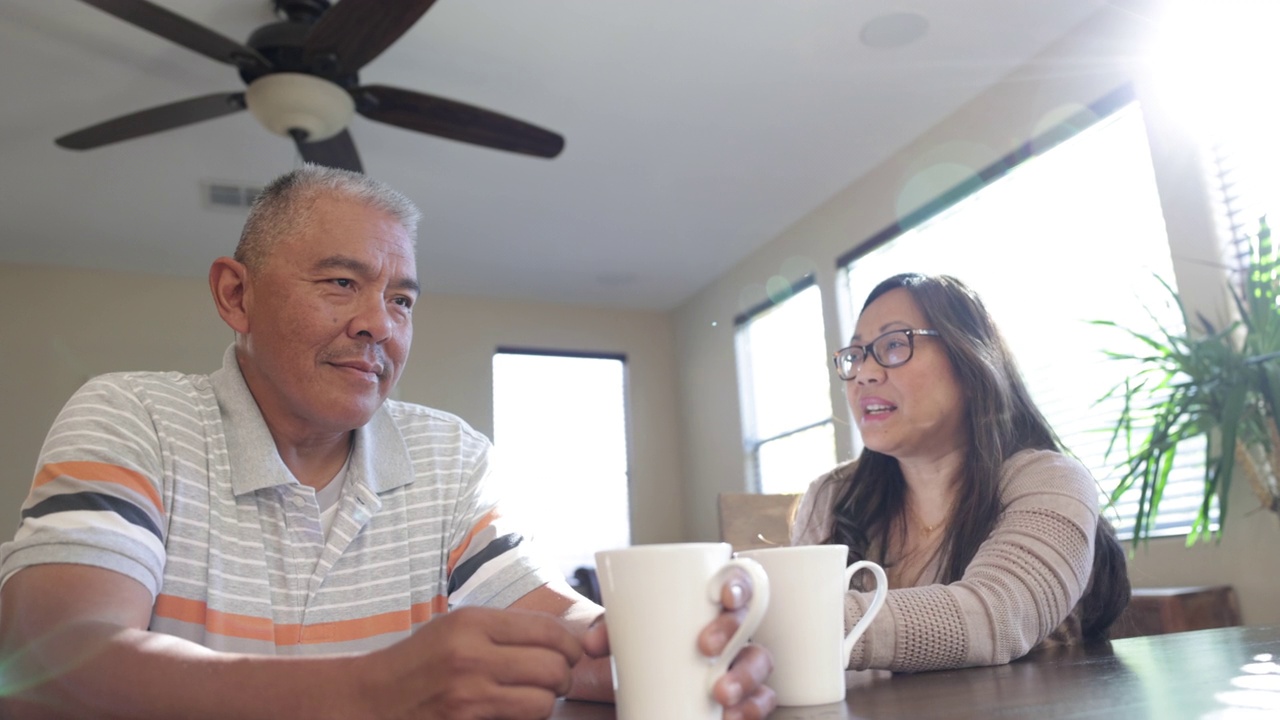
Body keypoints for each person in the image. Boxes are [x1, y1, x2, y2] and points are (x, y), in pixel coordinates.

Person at [0, 165, 775, 720]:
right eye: (342, 283)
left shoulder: (450, 456)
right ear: (236, 295)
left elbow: (558, 629)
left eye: (400, 298)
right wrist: (372, 692)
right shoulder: (130, 416)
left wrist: (688, 646)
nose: (380, 323)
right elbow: (46, 663)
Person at [791, 272, 1130, 673]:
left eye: (894, 344)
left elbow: (996, 616)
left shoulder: (1050, 481)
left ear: (969, 360)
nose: (864, 372)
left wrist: (784, 622)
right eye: (856, 355)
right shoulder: (832, 497)